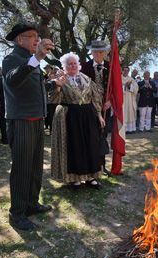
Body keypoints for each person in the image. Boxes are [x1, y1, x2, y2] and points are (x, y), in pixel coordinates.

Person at [2, 23, 55, 231]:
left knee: (35, 167)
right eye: (32, 36)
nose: (37, 39)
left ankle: (32, 203)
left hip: (37, 120)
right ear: (19, 40)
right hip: (21, 121)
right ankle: (17, 213)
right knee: (22, 168)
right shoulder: (11, 59)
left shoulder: (33, 61)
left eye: (37, 36)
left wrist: (53, 84)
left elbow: (37, 88)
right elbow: (13, 80)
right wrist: (37, 58)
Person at [48, 52, 105, 191]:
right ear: (65, 66)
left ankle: (91, 177)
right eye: (69, 64)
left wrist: (99, 115)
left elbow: (95, 98)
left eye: (75, 63)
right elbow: (54, 99)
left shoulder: (86, 79)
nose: (73, 66)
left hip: (87, 116)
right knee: (75, 147)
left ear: (78, 65)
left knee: (90, 145)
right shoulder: (61, 79)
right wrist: (58, 85)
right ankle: (75, 180)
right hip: (69, 116)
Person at [80, 40, 113, 177]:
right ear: (91, 52)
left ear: (104, 52)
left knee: (102, 136)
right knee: (89, 137)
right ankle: (90, 166)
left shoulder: (110, 67)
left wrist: (111, 101)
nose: (98, 54)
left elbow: (115, 88)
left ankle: (102, 167)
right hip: (89, 108)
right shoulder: (84, 67)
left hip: (106, 108)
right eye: (95, 52)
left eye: (101, 52)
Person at [122, 66, 138, 134]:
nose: (126, 72)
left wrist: (129, 86)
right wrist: (125, 86)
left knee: (130, 112)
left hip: (130, 99)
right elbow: (116, 88)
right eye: (124, 70)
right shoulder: (118, 78)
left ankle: (130, 129)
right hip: (122, 99)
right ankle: (123, 129)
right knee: (123, 113)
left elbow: (136, 88)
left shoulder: (131, 79)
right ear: (122, 71)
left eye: (127, 70)